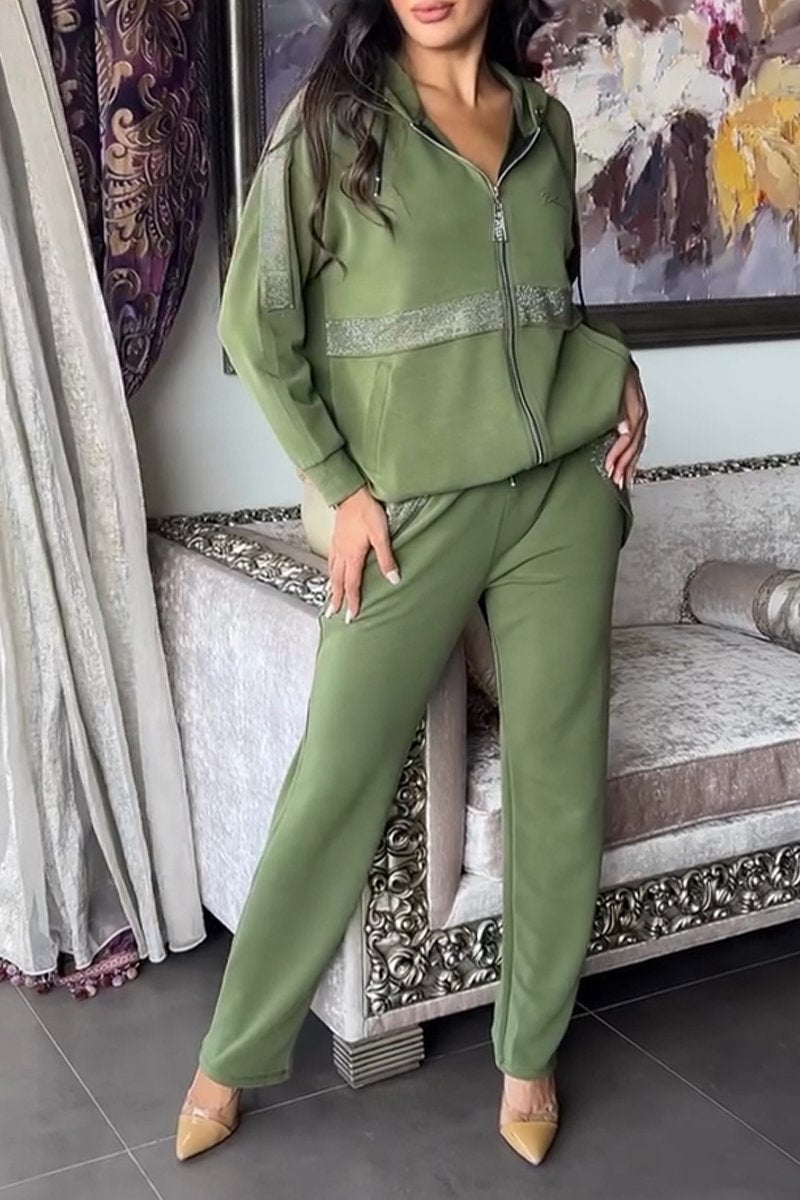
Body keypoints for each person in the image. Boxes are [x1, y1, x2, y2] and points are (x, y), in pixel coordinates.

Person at [176, 0, 648, 1169]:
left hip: (559, 494)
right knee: (335, 773)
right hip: (409, 515)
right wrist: (339, 485)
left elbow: (544, 307)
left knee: (557, 770)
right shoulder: (331, 123)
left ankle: (528, 1050)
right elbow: (255, 323)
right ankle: (231, 1054)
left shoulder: (538, 120)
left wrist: (615, 370)